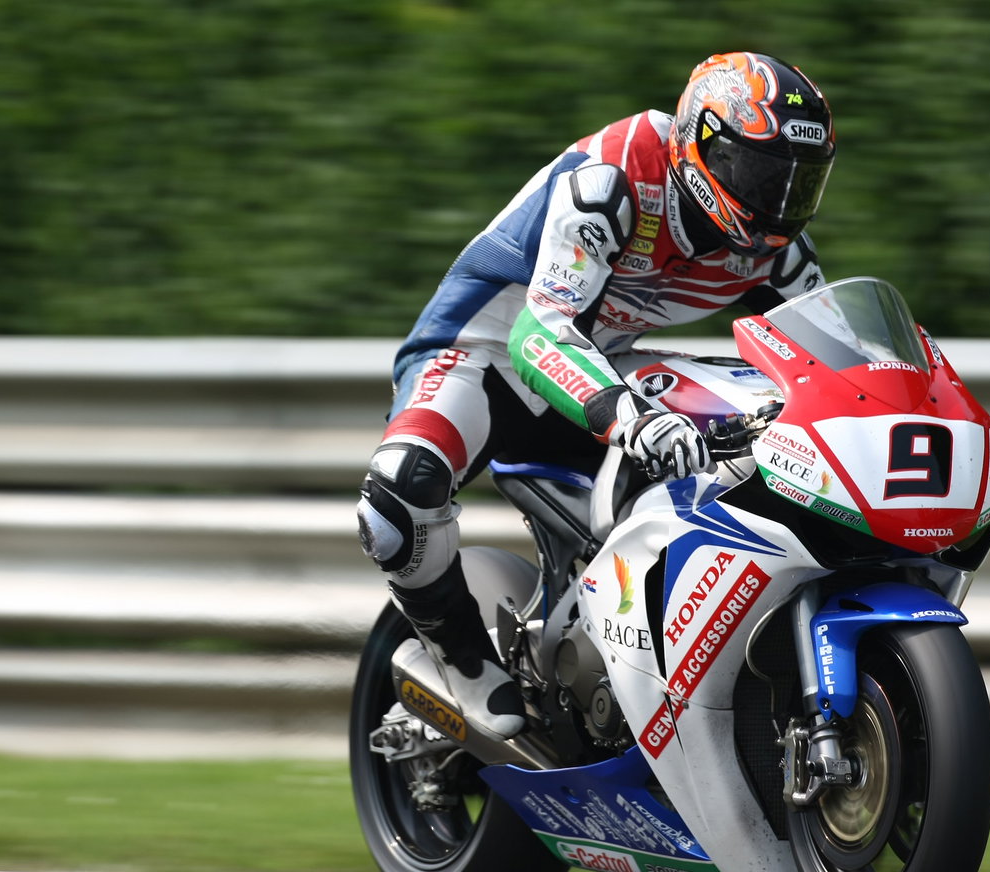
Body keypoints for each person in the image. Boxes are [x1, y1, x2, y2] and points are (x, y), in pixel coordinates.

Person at [356, 51, 837, 741]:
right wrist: (630, 419)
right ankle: (461, 662)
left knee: (760, 433)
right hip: (486, 352)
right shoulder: (613, 178)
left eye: (799, 183)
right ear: (703, 147)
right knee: (398, 497)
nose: (779, 202)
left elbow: (827, 353)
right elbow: (541, 331)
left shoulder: (775, 252)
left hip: (607, 361)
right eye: (763, 174)